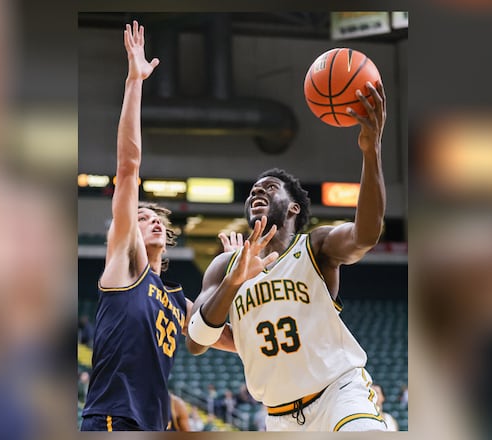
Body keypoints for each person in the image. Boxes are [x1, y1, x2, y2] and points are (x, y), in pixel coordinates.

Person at [186, 79, 389, 431]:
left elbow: (365, 235)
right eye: (252, 192)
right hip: (280, 417)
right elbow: (196, 342)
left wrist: (371, 153)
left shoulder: (316, 247)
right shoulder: (224, 266)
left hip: (338, 394)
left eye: (268, 188)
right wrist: (235, 281)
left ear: (293, 207)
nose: (256, 193)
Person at [80, 21, 235, 431]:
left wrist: (243, 277)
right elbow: (128, 168)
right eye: (139, 218)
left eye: (153, 219)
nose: (146, 222)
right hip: (113, 419)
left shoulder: (177, 302)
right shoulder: (126, 266)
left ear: (167, 235)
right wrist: (135, 82)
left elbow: (227, 340)